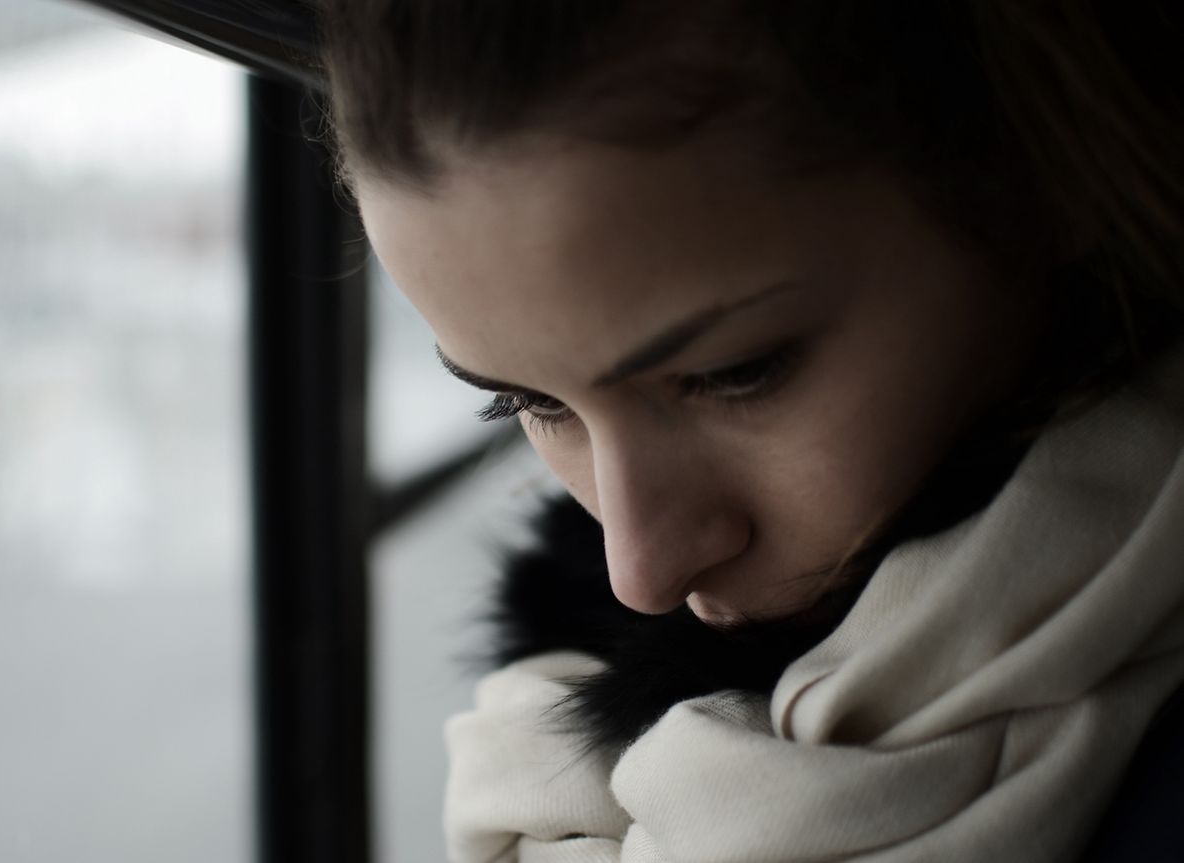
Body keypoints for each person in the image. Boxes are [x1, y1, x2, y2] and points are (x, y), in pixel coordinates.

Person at [315, 1, 1184, 860]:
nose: (640, 573)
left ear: (1048, 180)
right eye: (529, 404)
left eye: (738, 373)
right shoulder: (553, 739)